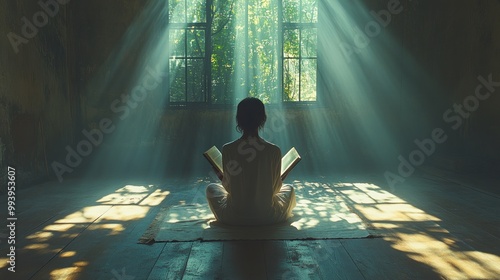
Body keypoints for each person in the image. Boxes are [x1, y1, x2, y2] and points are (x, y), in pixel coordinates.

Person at [206, 97, 296, 226]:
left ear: (238, 119)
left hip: (234, 217)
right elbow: (276, 189)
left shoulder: (228, 149)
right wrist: (282, 176)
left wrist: (221, 176)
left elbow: (228, 188)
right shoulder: (274, 150)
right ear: (263, 119)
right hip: (268, 217)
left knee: (211, 188)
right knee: (290, 189)